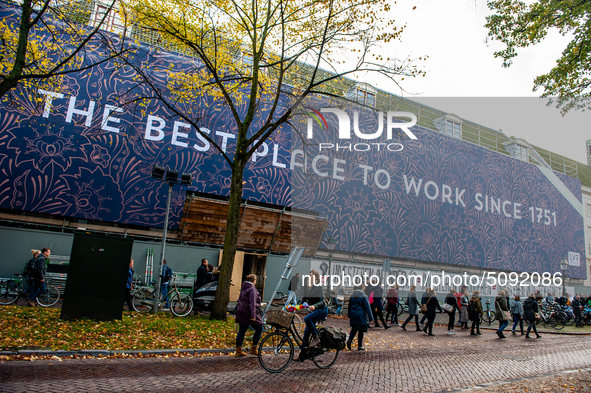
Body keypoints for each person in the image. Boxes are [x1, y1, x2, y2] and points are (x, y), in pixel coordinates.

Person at [235, 274, 264, 357]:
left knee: (242, 331)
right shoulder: (252, 290)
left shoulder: (244, 288)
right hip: (248, 313)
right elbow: (252, 303)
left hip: (242, 312)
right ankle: (254, 348)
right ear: (254, 281)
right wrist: (253, 316)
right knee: (259, 328)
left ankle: (238, 350)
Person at [301, 270, 328, 352]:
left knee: (307, 319)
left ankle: (316, 337)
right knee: (306, 333)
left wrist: (314, 306)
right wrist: (295, 306)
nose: (309, 277)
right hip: (313, 311)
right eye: (309, 275)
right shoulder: (307, 287)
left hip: (321, 310)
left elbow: (323, 301)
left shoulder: (318, 286)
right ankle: (302, 354)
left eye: (311, 276)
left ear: (316, 277)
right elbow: (303, 300)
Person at [346, 284, 373, 351]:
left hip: (353, 314)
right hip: (361, 315)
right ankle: (360, 346)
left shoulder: (352, 296)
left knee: (354, 329)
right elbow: (367, 307)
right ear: (362, 288)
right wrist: (371, 317)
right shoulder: (364, 296)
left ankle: (350, 340)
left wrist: (349, 315)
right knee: (361, 330)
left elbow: (349, 306)